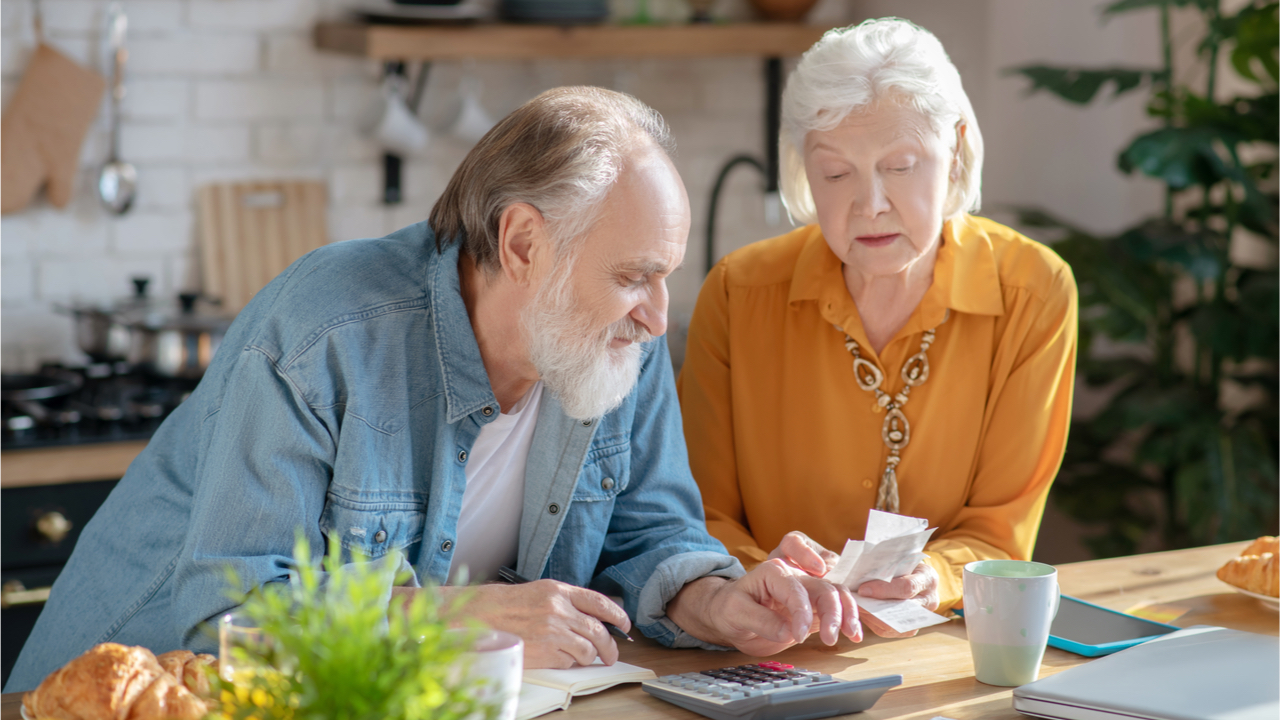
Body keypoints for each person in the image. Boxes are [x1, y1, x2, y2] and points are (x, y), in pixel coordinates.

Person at [6, 87, 861, 692]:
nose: (657, 315)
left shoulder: (612, 347)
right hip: (120, 693)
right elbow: (226, 622)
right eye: (636, 275)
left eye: (667, 276)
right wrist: (468, 616)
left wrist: (721, 602)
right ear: (523, 244)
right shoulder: (325, 333)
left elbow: (645, 533)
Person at [677, 19, 1078, 638]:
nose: (869, 204)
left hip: (945, 644)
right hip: (765, 643)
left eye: (901, 166)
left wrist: (934, 577)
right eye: (836, 174)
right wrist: (774, 581)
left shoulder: (1032, 291)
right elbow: (696, 516)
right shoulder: (739, 292)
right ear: (803, 170)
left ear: (957, 150)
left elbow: (1001, 528)